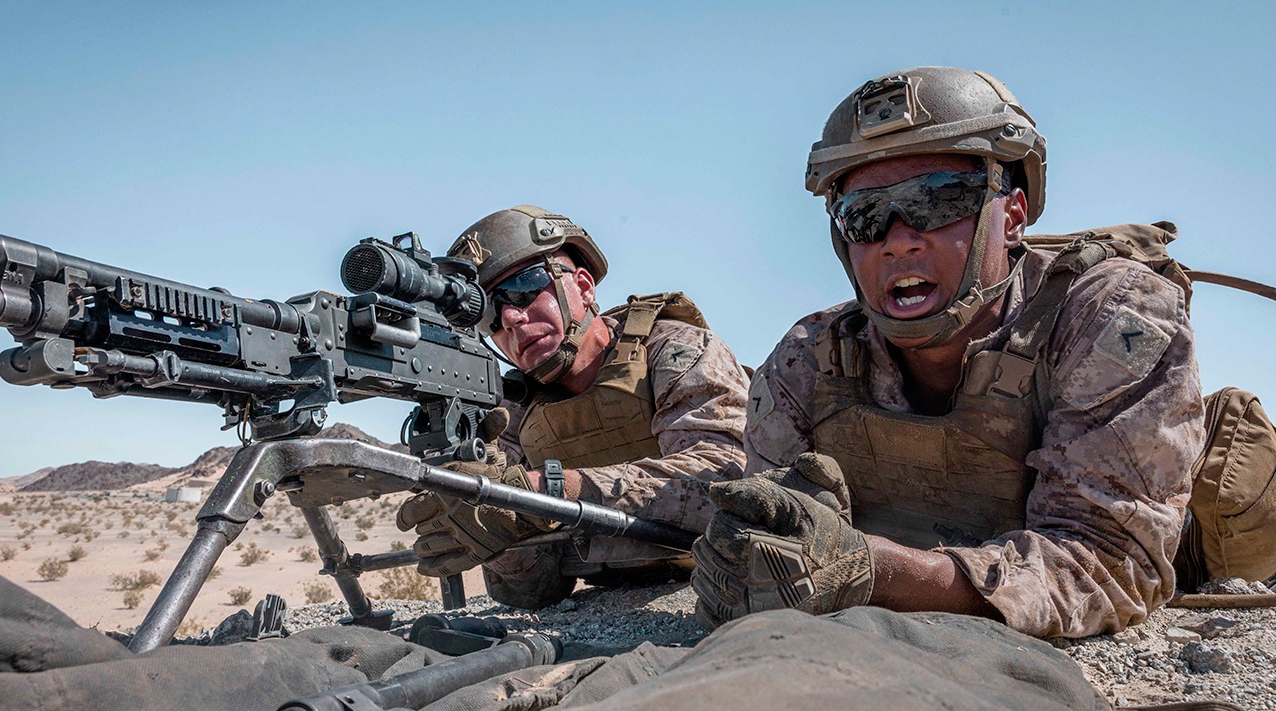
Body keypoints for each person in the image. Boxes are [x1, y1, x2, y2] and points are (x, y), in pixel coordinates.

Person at [691, 66, 1206, 638]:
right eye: (864, 216)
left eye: (936, 200)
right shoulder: (808, 358)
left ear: (1011, 217)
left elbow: (1107, 563)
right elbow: (769, 540)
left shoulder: (1106, 317)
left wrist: (875, 572)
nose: (898, 240)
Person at [397, 205, 752, 609]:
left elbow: (728, 484)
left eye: (524, 288)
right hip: (608, 606)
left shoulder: (675, 350)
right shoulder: (512, 412)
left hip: (721, 591)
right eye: (489, 314)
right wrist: (494, 522)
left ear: (583, 287)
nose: (511, 318)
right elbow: (534, 590)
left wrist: (545, 490)